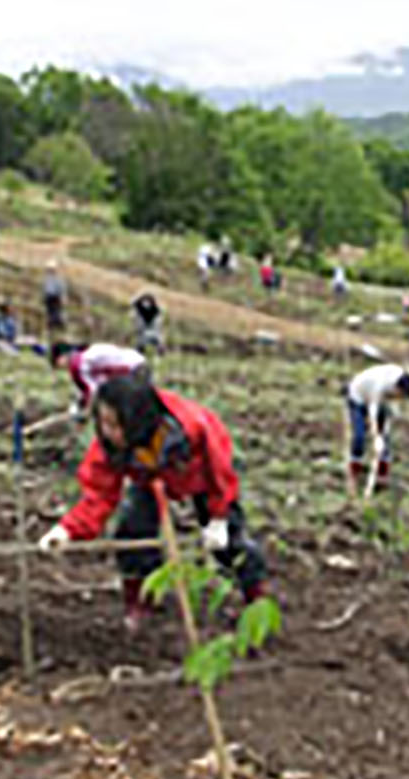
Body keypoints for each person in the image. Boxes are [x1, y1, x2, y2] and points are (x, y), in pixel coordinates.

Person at [37, 375, 269, 630]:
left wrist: (218, 517)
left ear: (136, 420)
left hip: (198, 473)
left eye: (115, 425)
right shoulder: (109, 447)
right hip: (148, 476)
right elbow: (98, 494)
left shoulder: (191, 427)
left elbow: (220, 472)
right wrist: (68, 530)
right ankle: (142, 599)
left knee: (230, 542)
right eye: (103, 423)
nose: (107, 432)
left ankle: (255, 604)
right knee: (132, 531)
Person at [346, 363, 409, 491]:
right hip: (358, 397)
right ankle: (354, 475)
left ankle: (381, 477)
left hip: (381, 402)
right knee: (360, 436)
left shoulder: (399, 382)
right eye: (402, 395)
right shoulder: (380, 384)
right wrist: (376, 436)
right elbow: (373, 413)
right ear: (398, 388)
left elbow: (392, 411)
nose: (401, 398)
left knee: (385, 440)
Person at [60, 342, 149, 416]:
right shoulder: (87, 354)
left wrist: (86, 413)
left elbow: (92, 391)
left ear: (62, 357)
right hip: (138, 363)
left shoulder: (78, 363)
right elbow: (95, 386)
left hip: (133, 371)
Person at [42, 259, 67, 342]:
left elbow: (61, 289)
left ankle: (59, 330)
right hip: (49, 298)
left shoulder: (57, 279)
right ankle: (51, 332)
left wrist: (62, 298)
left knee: (56, 314)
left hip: (55, 298)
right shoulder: (47, 279)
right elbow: (46, 289)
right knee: (50, 315)